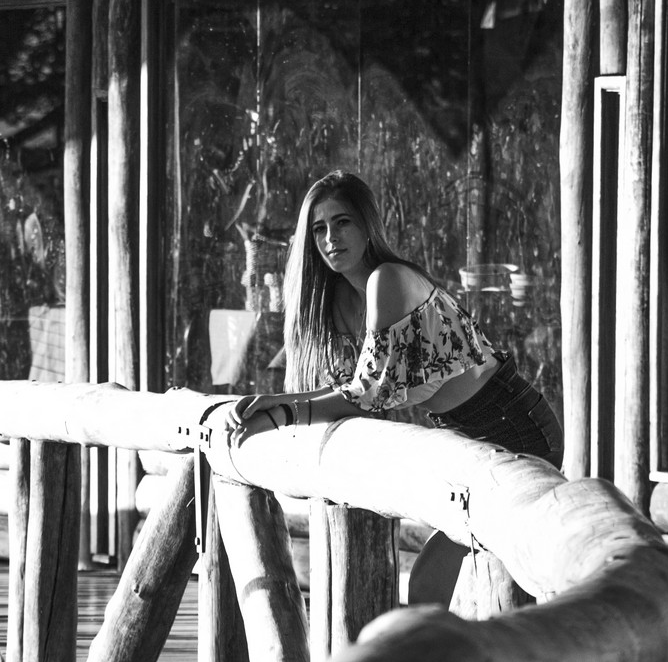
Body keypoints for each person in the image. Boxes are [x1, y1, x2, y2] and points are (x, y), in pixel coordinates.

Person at [224, 170, 563, 604]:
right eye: (319, 229)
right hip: (468, 436)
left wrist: (278, 410)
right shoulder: (344, 299)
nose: (331, 238)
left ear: (368, 226)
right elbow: (346, 387)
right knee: (441, 588)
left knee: (440, 586)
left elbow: (367, 396)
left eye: (342, 222)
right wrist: (275, 405)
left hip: (514, 428)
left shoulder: (387, 279)